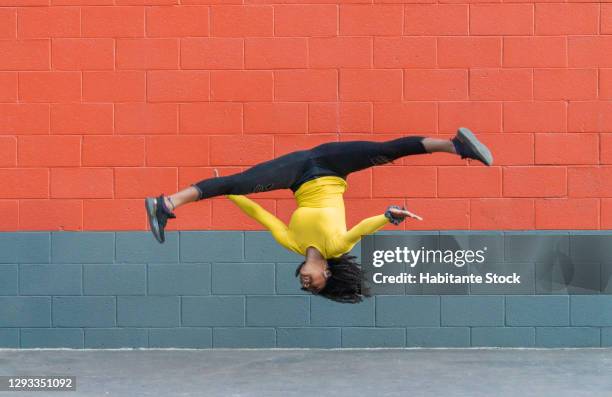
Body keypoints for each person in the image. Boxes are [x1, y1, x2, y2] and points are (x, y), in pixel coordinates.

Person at [145, 128, 493, 303]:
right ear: (328, 271)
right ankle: (456, 146)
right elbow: (362, 228)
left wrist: (232, 190)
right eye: (314, 283)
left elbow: (260, 215)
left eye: (303, 283)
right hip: (332, 164)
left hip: (298, 173)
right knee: (387, 152)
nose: (305, 281)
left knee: (235, 183)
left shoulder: (292, 243)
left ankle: (166, 204)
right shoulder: (337, 245)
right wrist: (389, 215)